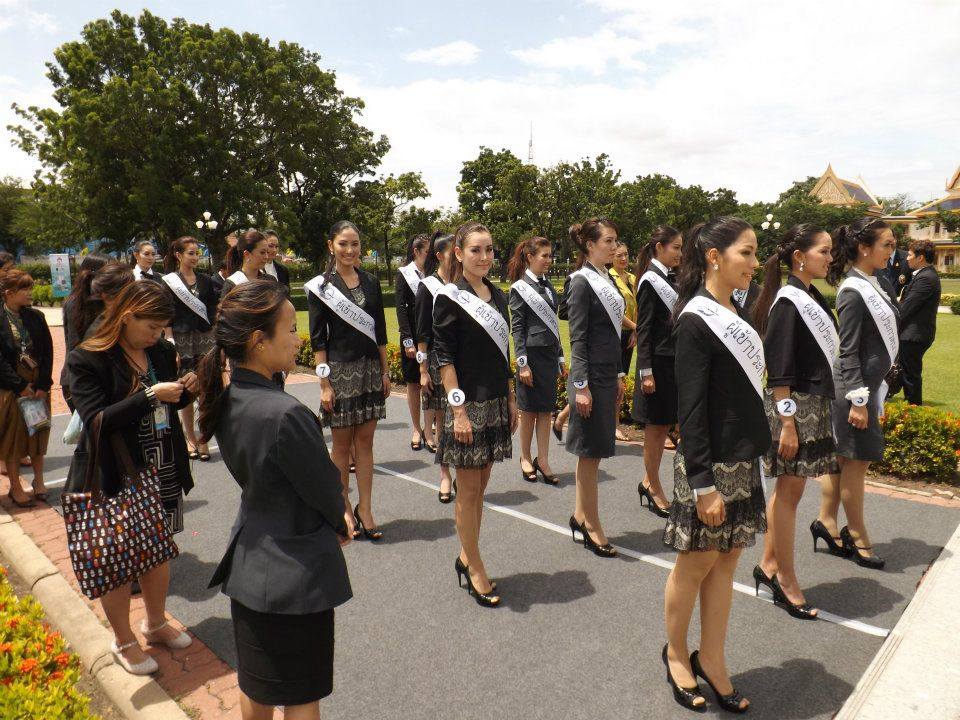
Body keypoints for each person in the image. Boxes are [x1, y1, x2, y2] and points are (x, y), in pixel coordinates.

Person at [197, 281, 352, 720]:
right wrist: (341, 522)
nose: (298, 337)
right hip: (295, 574)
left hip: (250, 561)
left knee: (258, 686)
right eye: (290, 329)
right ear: (258, 342)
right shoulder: (286, 413)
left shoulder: (230, 399)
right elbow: (325, 487)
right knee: (302, 697)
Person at [661, 216, 769, 713]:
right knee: (696, 564)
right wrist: (702, 484)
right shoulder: (695, 320)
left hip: (742, 461)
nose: (754, 262)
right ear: (714, 256)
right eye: (746, 253)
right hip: (709, 468)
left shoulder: (735, 313)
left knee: (727, 563)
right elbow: (691, 411)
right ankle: (678, 654)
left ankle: (715, 657)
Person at [65, 280, 197, 675]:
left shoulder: (157, 349)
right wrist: (153, 395)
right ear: (126, 317)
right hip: (116, 472)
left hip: (161, 463)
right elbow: (96, 421)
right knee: (117, 558)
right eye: (151, 327)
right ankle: (123, 640)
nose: (158, 336)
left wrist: (189, 388)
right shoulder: (88, 359)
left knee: (158, 550)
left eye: (161, 329)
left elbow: (168, 405)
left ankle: (155, 623)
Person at [750, 224, 838, 621]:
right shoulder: (789, 301)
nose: (830, 257)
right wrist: (787, 423)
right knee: (787, 495)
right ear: (800, 255)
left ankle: (768, 566)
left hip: (811, 405)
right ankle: (785, 581)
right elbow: (779, 369)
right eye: (824, 251)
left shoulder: (809, 294)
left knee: (791, 493)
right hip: (794, 409)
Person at [434, 221, 517, 607]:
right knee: (468, 490)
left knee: (479, 489)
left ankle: (467, 556)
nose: (484, 257)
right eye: (475, 250)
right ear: (458, 253)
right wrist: (458, 412)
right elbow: (444, 357)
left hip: (497, 401)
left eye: (489, 250)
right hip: (467, 406)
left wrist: (512, 398)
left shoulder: (498, 297)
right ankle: (475, 565)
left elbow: (503, 355)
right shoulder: (449, 297)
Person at [818, 218, 898, 570]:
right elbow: (847, 351)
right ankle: (858, 535)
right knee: (856, 463)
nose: (893, 251)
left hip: (864, 388)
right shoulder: (853, 291)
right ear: (865, 248)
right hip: (854, 391)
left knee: (843, 460)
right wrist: (859, 400)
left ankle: (827, 521)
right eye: (888, 244)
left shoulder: (876, 283)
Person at [308, 221, 389, 541]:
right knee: (341, 446)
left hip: (370, 370)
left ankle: (365, 508)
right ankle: (342, 506)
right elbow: (318, 341)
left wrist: (384, 371)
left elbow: (380, 332)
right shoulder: (321, 287)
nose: (350, 250)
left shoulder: (370, 282)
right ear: (331, 246)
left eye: (355, 244)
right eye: (343, 243)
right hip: (340, 373)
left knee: (366, 443)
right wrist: (324, 384)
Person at [565, 218, 624, 559]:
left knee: (592, 452)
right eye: (609, 241)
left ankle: (579, 515)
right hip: (589, 379)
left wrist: (617, 374)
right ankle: (592, 525)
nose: (615, 247)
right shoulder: (581, 282)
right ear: (590, 245)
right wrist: (581, 387)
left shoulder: (605, 277)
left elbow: (612, 334)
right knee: (590, 454)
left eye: (616, 241)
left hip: (605, 374)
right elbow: (579, 338)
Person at [632, 226, 683, 518]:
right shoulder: (651, 281)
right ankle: (651, 484)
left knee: (664, 426)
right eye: (675, 247)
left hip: (672, 364)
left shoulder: (670, 277)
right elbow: (645, 330)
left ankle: (649, 482)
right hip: (658, 367)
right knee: (655, 429)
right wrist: (646, 372)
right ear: (659, 248)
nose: (679, 253)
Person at [508, 236, 563, 486]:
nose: (549, 260)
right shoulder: (519, 288)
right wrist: (522, 363)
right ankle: (525, 457)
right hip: (531, 356)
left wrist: (561, 356)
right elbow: (517, 328)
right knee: (528, 411)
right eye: (544, 255)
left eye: (550, 256)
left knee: (545, 411)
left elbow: (555, 326)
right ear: (530, 257)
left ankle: (544, 459)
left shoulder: (550, 286)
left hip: (549, 356)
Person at [162, 236, 218, 462]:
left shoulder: (205, 281)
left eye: (197, 253)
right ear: (179, 255)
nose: (195, 257)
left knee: (205, 386)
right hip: (182, 338)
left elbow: (213, 309)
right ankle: (190, 437)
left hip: (204, 338)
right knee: (186, 388)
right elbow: (166, 312)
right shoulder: (169, 281)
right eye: (191, 253)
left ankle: (203, 438)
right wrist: (169, 340)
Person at [1, 269, 53, 507]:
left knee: (37, 434)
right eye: (25, 289)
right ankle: (15, 486)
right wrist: (20, 385)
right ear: (9, 293)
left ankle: (39, 481)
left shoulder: (36, 317)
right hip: (12, 388)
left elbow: (48, 353)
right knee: (14, 440)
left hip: (37, 385)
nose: (30, 293)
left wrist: (43, 384)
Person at [416, 232, 456, 501]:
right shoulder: (427, 286)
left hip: (463, 360)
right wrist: (422, 370)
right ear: (440, 256)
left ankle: (464, 471)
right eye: (454, 252)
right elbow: (422, 333)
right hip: (437, 361)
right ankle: (445, 475)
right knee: (442, 419)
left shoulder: (465, 284)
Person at [60, 253, 112, 410]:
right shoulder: (77, 304)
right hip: (81, 379)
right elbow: (76, 345)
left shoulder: (101, 301)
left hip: (88, 376)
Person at [395, 234, 430, 451]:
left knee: (432, 382)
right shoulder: (404, 274)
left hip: (432, 337)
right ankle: (417, 428)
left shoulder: (434, 274)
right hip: (413, 338)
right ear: (416, 252)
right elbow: (400, 309)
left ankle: (430, 427)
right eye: (427, 252)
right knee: (414, 384)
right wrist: (408, 341)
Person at [898, 240, 941, 405]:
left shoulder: (926, 278)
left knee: (910, 375)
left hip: (913, 335)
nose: (907, 259)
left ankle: (913, 408)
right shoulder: (924, 275)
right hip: (913, 333)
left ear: (920, 257)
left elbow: (906, 308)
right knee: (907, 372)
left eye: (909, 255)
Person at [610, 239, 638, 377]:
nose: (624, 258)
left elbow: (639, 306)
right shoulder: (608, 278)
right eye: (619, 255)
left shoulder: (633, 278)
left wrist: (635, 332)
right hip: (616, 332)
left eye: (626, 254)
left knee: (625, 373)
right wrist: (635, 327)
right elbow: (614, 310)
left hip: (631, 333)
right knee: (615, 374)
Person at [220, 229, 273, 299]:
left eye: (267, 252)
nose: (266, 257)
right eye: (262, 252)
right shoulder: (233, 284)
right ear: (247, 254)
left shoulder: (270, 280)